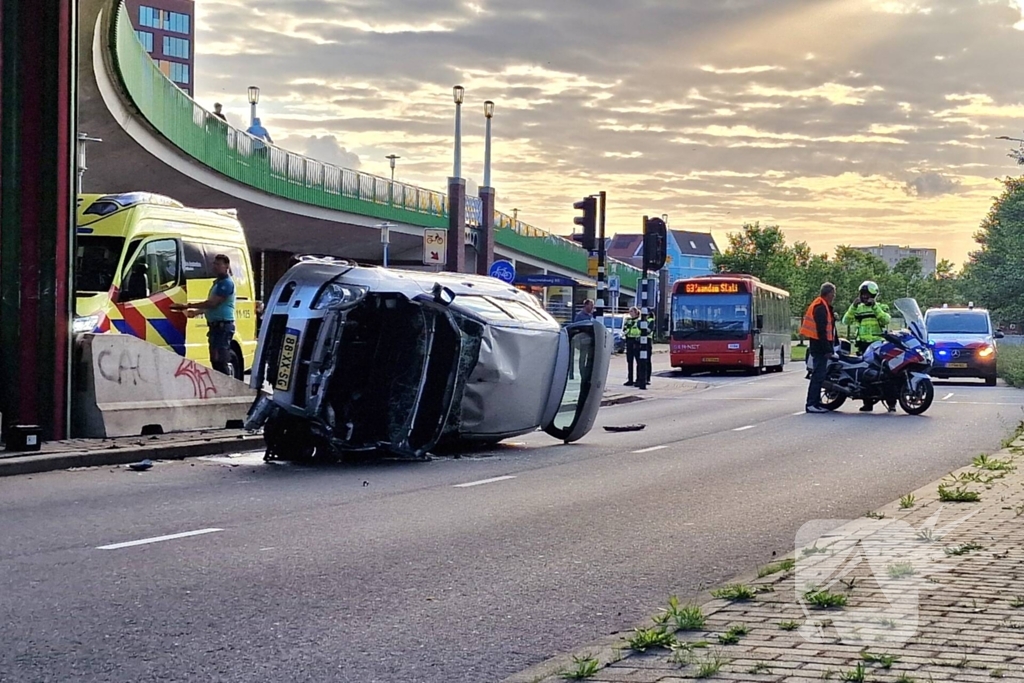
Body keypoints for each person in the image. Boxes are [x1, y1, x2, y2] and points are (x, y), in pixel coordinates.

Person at [170, 254, 236, 376]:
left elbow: (212, 303)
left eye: (218, 264)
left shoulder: (226, 283)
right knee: (214, 358)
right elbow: (210, 306)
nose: (215, 267)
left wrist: (187, 305)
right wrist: (196, 312)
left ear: (226, 266)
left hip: (223, 325)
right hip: (216, 325)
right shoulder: (217, 282)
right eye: (214, 264)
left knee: (220, 359)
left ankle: (227, 384)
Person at [842, 280, 893, 412]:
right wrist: (853, 306)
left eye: (867, 294)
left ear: (874, 295)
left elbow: (886, 320)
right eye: (862, 294)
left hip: (878, 346)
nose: (864, 297)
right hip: (863, 346)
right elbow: (845, 321)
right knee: (864, 374)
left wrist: (875, 306)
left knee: (886, 373)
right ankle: (867, 402)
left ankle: (891, 402)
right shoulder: (858, 308)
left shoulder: (881, 307)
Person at [802, 282, 838, 414]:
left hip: (819, 346)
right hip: (819, 347)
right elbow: (821, 330)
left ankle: (816, 403)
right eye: (833, 294)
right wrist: (827, 350)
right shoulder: (820, 307)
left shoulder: (822, 305)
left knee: (820, 376)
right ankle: (811, 403)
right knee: (818, 376)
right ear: (828, 294)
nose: (834, 296)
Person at [623, 307, 642, 386]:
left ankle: (638, 380)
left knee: (639, 362)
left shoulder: (639, 321)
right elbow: (624, 329)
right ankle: (630, 379)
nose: (630, 313)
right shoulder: (628, 320)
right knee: (629, 361)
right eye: (629, 311)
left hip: (636, 342)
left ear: (635, 312)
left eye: (631, 311)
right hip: (629, 341)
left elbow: (641, 331)